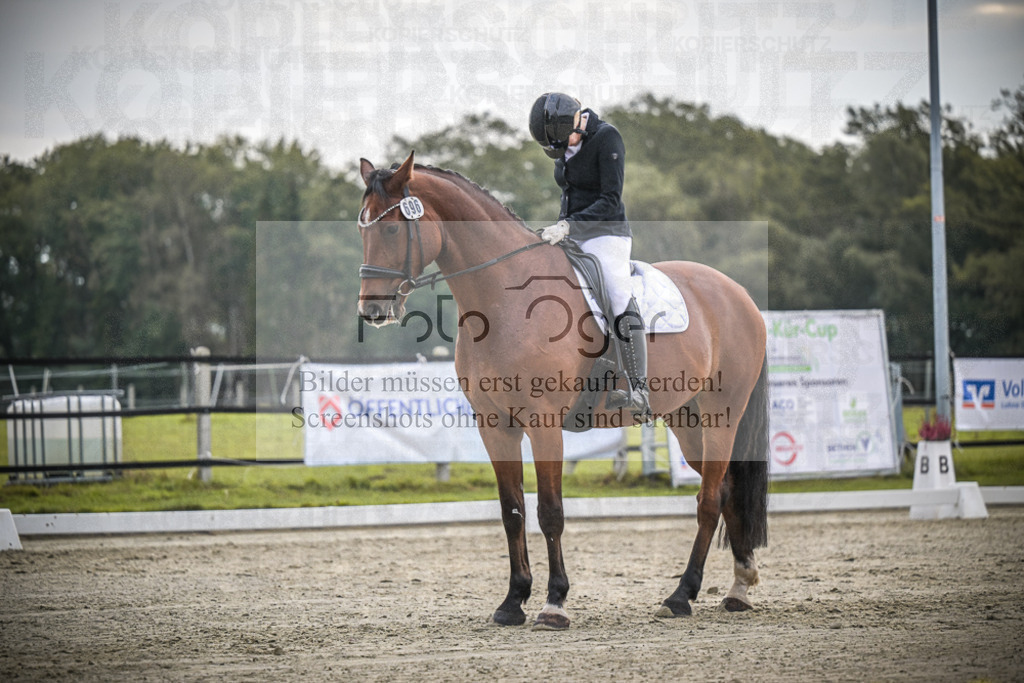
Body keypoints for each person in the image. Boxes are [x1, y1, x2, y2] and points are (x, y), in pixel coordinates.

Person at [528, 92, 650, 420]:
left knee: (616, 291)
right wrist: (560, 229)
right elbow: (571, 193)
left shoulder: (607, 138)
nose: (560, 150)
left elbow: (611, 199)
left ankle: (638, 387)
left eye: (561, 142)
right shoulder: (565, 141)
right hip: (572, 232)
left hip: (607, 234)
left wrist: (569, 226)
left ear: (577, 124)